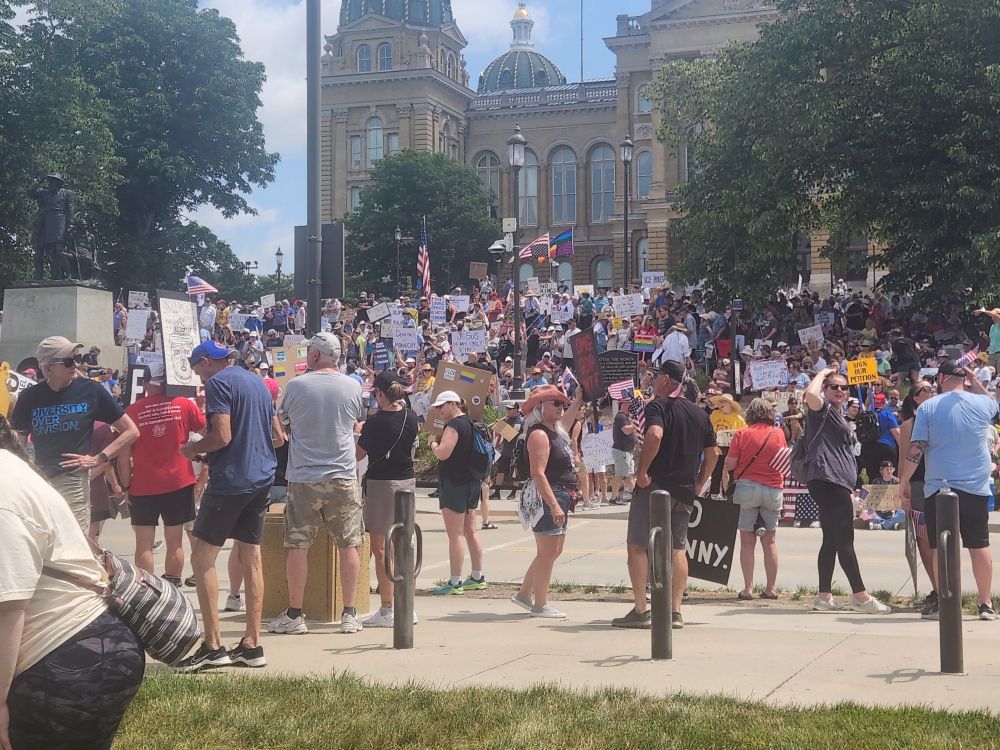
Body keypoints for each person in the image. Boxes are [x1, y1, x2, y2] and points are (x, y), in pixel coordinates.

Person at [0, 421, 144, 750]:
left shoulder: (2, 491)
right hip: (91, 646)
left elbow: (8, 608)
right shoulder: (14, 470)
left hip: (68, 658)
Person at [178, 341, 283, 671]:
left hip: (232, 479)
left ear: (206, 361)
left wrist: (193, 448)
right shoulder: (257, 382)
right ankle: (252, 644)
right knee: (251, 555)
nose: (199, 375)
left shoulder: (218, 384)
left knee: (202, 556)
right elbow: (278, 437)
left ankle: (213, 646)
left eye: (197, 369)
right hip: (262, 477)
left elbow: (221, 436)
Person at [269, 332, 366, 636]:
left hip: (304, 475)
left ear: (313, 356)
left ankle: (296, 613)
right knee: (349, 543)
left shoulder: (296, 386)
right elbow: (354, 422)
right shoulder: (353, 386)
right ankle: (349, 612)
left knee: (298, 545)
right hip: (343, 473)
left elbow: (282, 424)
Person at [613, 360, 719, 630]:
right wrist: (698, 483)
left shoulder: (657, 406)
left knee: (637, 545)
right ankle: (675, 611)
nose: (653, 379)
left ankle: (640, 609)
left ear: (668, 381)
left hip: (655, 487)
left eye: (657, 375)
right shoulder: (700, 414)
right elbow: (713, 453)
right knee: (677, 548)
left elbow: (656, 435)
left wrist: (643, 471)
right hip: (684, 490)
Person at [899, 360, 999, 620]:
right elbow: (993, 405)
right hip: (976, 486)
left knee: (940, 547)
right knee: (979, 545)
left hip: (939, 488)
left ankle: (946, 603)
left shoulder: (928, 406)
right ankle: (985, 603)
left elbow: (916, 448)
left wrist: (904, 481)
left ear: (941, 378)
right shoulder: (983, 404)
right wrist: (974, 380)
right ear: (963, 378)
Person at [10, 336, 139, 533]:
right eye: (69, 361)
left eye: (77, 358)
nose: (76, 364)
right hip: (39, 478)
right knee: (44, 540)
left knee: (74, 540)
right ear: (48, 368)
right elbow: (17, 442)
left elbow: (131, 431)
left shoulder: (90, 390)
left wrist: (99, 458)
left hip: (73, 479)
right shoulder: (29, 397)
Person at [802, 367, 890, 613]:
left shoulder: (838, 414)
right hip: (828, 480)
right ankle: (861, 596)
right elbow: (810, 394)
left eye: (843, 387)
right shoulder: (822, 409)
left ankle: (824, 596)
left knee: (831, 540)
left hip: (837, 481)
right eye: (834, 387)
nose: (839, 390)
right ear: (825, 389)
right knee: (845, 539)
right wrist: (823, 373)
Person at [121, 374, 206, 587]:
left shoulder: (132, 411)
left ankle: (147, 588)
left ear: (147, 383)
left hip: (142, 484)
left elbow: (123, 454)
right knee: (175, 539)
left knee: (144, 543)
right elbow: (208, 433)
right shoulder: (184, 404)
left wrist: (125, 485)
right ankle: (173, 584)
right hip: (178, 481)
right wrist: (198, 455)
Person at [512, 385, 585, 619]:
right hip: (549, 495)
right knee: (547, 552)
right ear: (539, 408)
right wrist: (553, 504)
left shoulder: (554, 430)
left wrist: (578, 400)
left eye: (561, 403)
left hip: (560, 495)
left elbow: (569, 417)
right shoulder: (539, 434)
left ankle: (524, 594)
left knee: (552, 551)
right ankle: (540, 604)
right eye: (554, 403)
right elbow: (538, 473)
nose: (560, 406)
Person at [356, 370, 420, 629]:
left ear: (380, 394)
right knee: (404, 545)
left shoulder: (376, 422)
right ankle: (407, 604)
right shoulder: (411, 416)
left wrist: (359, 432)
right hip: (407, 481)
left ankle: (387, 607)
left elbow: (359, 454)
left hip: (381, 483)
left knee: (381, 547)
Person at [724, 398, 787, 601]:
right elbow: (782, 460)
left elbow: (731, 464)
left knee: (747, 541)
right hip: (773, 488)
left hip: (747, 488)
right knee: (770, 542)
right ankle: (771, 588)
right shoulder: (778, 433)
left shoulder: (742, 434)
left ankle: (748, 588)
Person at [428, 391, 488, 595]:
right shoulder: (471, 423)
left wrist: (433, 443)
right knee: (471, 530)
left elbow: (443, 453)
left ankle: (455, 582)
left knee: (455, 535)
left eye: (442, 406)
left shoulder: (454, 426)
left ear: (454, 404)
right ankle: (478, 576)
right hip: (472, 482)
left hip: (454, 483)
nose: (439, 411)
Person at [897, 381, 939, 612]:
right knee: (923, 538)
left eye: (931, 387)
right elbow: (903, 457)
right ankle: (936, 588)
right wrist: (901, 487)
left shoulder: (940, 418)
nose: (930, 390)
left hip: (942, 482)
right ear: (915, 398)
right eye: (924, 389)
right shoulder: (909, 424)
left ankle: (946, 587)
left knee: (942, 537)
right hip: (918, 483)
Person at [610, 402, 637, 505]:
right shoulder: (620, 417)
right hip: (622, 451)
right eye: (628, 403)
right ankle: (613, 498)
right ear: (622, 405)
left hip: (627, 451)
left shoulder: (625, 417)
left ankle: (635, 496)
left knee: (629, 475)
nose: (630, 405)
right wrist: (635, 424)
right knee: (620, 475)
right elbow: (626, 430)